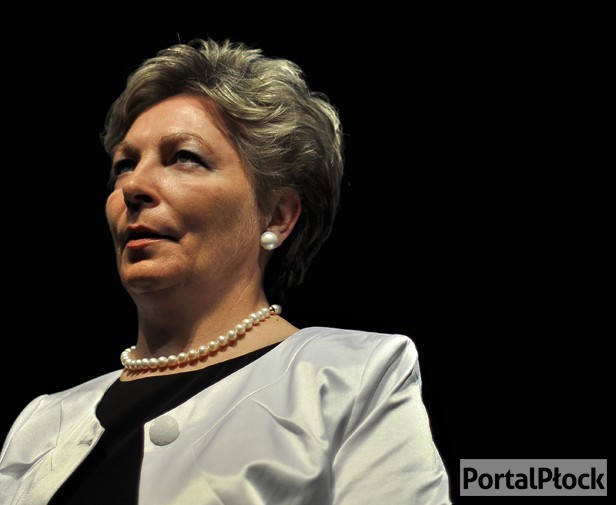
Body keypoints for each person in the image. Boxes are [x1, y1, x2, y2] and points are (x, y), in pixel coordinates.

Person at [0, 37, 451, 504]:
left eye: (184, 157)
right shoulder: (42, 423)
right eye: (124, 165)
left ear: (276, 215)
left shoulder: (352, 377)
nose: (133, 185)